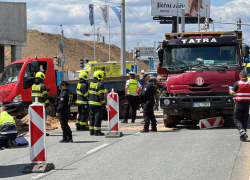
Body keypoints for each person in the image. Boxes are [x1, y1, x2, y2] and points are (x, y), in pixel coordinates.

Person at [230, 71, 250, 141]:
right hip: (247, 104)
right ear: (246, 76)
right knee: (244, 119)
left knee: (236, 119)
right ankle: (243, 136)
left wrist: (230, 89)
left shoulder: (237, 83)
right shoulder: (249, 83)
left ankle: (242, 132)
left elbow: (232, 93)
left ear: (240, 77)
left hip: (239, 103)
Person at [31, 71, 51, 136]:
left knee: (36, 120)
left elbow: (36, 94)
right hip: (42, 106)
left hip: (34, 106)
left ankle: (37, 133)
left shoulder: (33, 86)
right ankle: (43, 132)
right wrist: (48, 105)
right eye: (42, 78)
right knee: (42, 120)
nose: (43, 80)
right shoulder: (42, 86)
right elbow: (45, 96)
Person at [88, 70, 106, 136]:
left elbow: (88, 94)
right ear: (99, 76)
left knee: (92, 118)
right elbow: (101, 96)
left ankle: (91, 132)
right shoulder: (100, 84)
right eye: (101, 76)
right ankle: (97, 132)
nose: (102, 77)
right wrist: (103, 104)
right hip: (97, 104)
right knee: (97, 118)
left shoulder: (90, 84)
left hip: (91, 104)